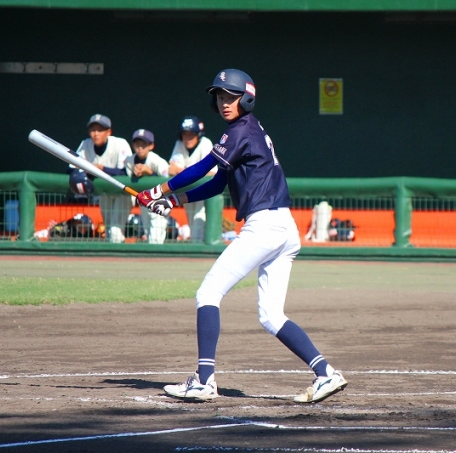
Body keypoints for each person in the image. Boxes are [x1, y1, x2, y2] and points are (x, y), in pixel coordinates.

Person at [137, 68, 347, 403]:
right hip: (283, 228)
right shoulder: (247, 130)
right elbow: (217, 183)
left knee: (208, 292)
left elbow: (202, 167)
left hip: (264, 226)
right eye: (220, 97)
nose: (224, 102)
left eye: (231, 97)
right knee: (271, 316)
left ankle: (204, 381)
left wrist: (159, 189)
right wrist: (173, 200)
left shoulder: (240, 130)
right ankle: (326, 373)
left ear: (246, 99)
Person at [73, 114, 133, 243]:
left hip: (122, 193)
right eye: (93, 130)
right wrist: (86, 169)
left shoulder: (120, 144)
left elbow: (126, 172)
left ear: (109, 132)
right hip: (105, 193)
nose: (96, 134)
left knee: (115, 232)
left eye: (100, 130)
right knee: (109, 231)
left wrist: (101, 169)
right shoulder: (85, 144)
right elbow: (71, 167)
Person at [168, 116, 217, 242]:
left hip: (204, 192)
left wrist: (185, 172)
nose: (187, 138)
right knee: (192, 225)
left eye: (191, 134)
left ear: (198, 134)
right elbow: (172, 169)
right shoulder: (179, 144)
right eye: (185, 134)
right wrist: (194, 173)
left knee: (199, 223)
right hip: (188, 192)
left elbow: (211, 172)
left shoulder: (205, 143)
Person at [125, 128, 171, 244]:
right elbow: (124, 175)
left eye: (143, 144)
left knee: (156, 238)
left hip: (160, 200)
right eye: (137, 144)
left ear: (151, 146)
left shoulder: (157, 160)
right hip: (144, 200)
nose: (140, 147)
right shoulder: (129, 160)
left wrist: (149, 172)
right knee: (148, 233)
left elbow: (167, 180)